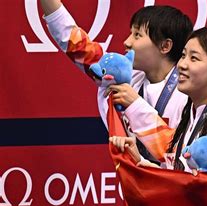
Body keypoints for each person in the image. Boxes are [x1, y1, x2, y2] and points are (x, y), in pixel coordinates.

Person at [40, 0, 193, 161]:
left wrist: (135, 104)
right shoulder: (123, 77)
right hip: (133, 183)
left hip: (173, 184)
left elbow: (182, 155)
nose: (127, 42)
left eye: (137, 35)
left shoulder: (190, 94)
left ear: (165, 46)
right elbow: (77, 46)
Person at [110, 27, 207, 172]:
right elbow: (181, 173)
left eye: (194, 58)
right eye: (183, 55)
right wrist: (139, 160)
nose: (181, 65)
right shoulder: (191, 114)